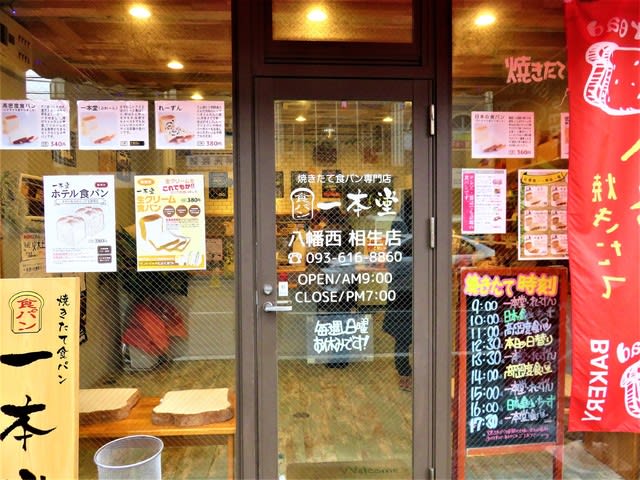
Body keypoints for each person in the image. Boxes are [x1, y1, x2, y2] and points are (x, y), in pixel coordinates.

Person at [382, 194, 413, 391]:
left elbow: (391, 259)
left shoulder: (399, 223)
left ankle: (405, 375)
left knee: (402, 336)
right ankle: (406, 375)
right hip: (412, 289)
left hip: (401, 289)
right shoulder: (402, 225)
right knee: (409, 335)